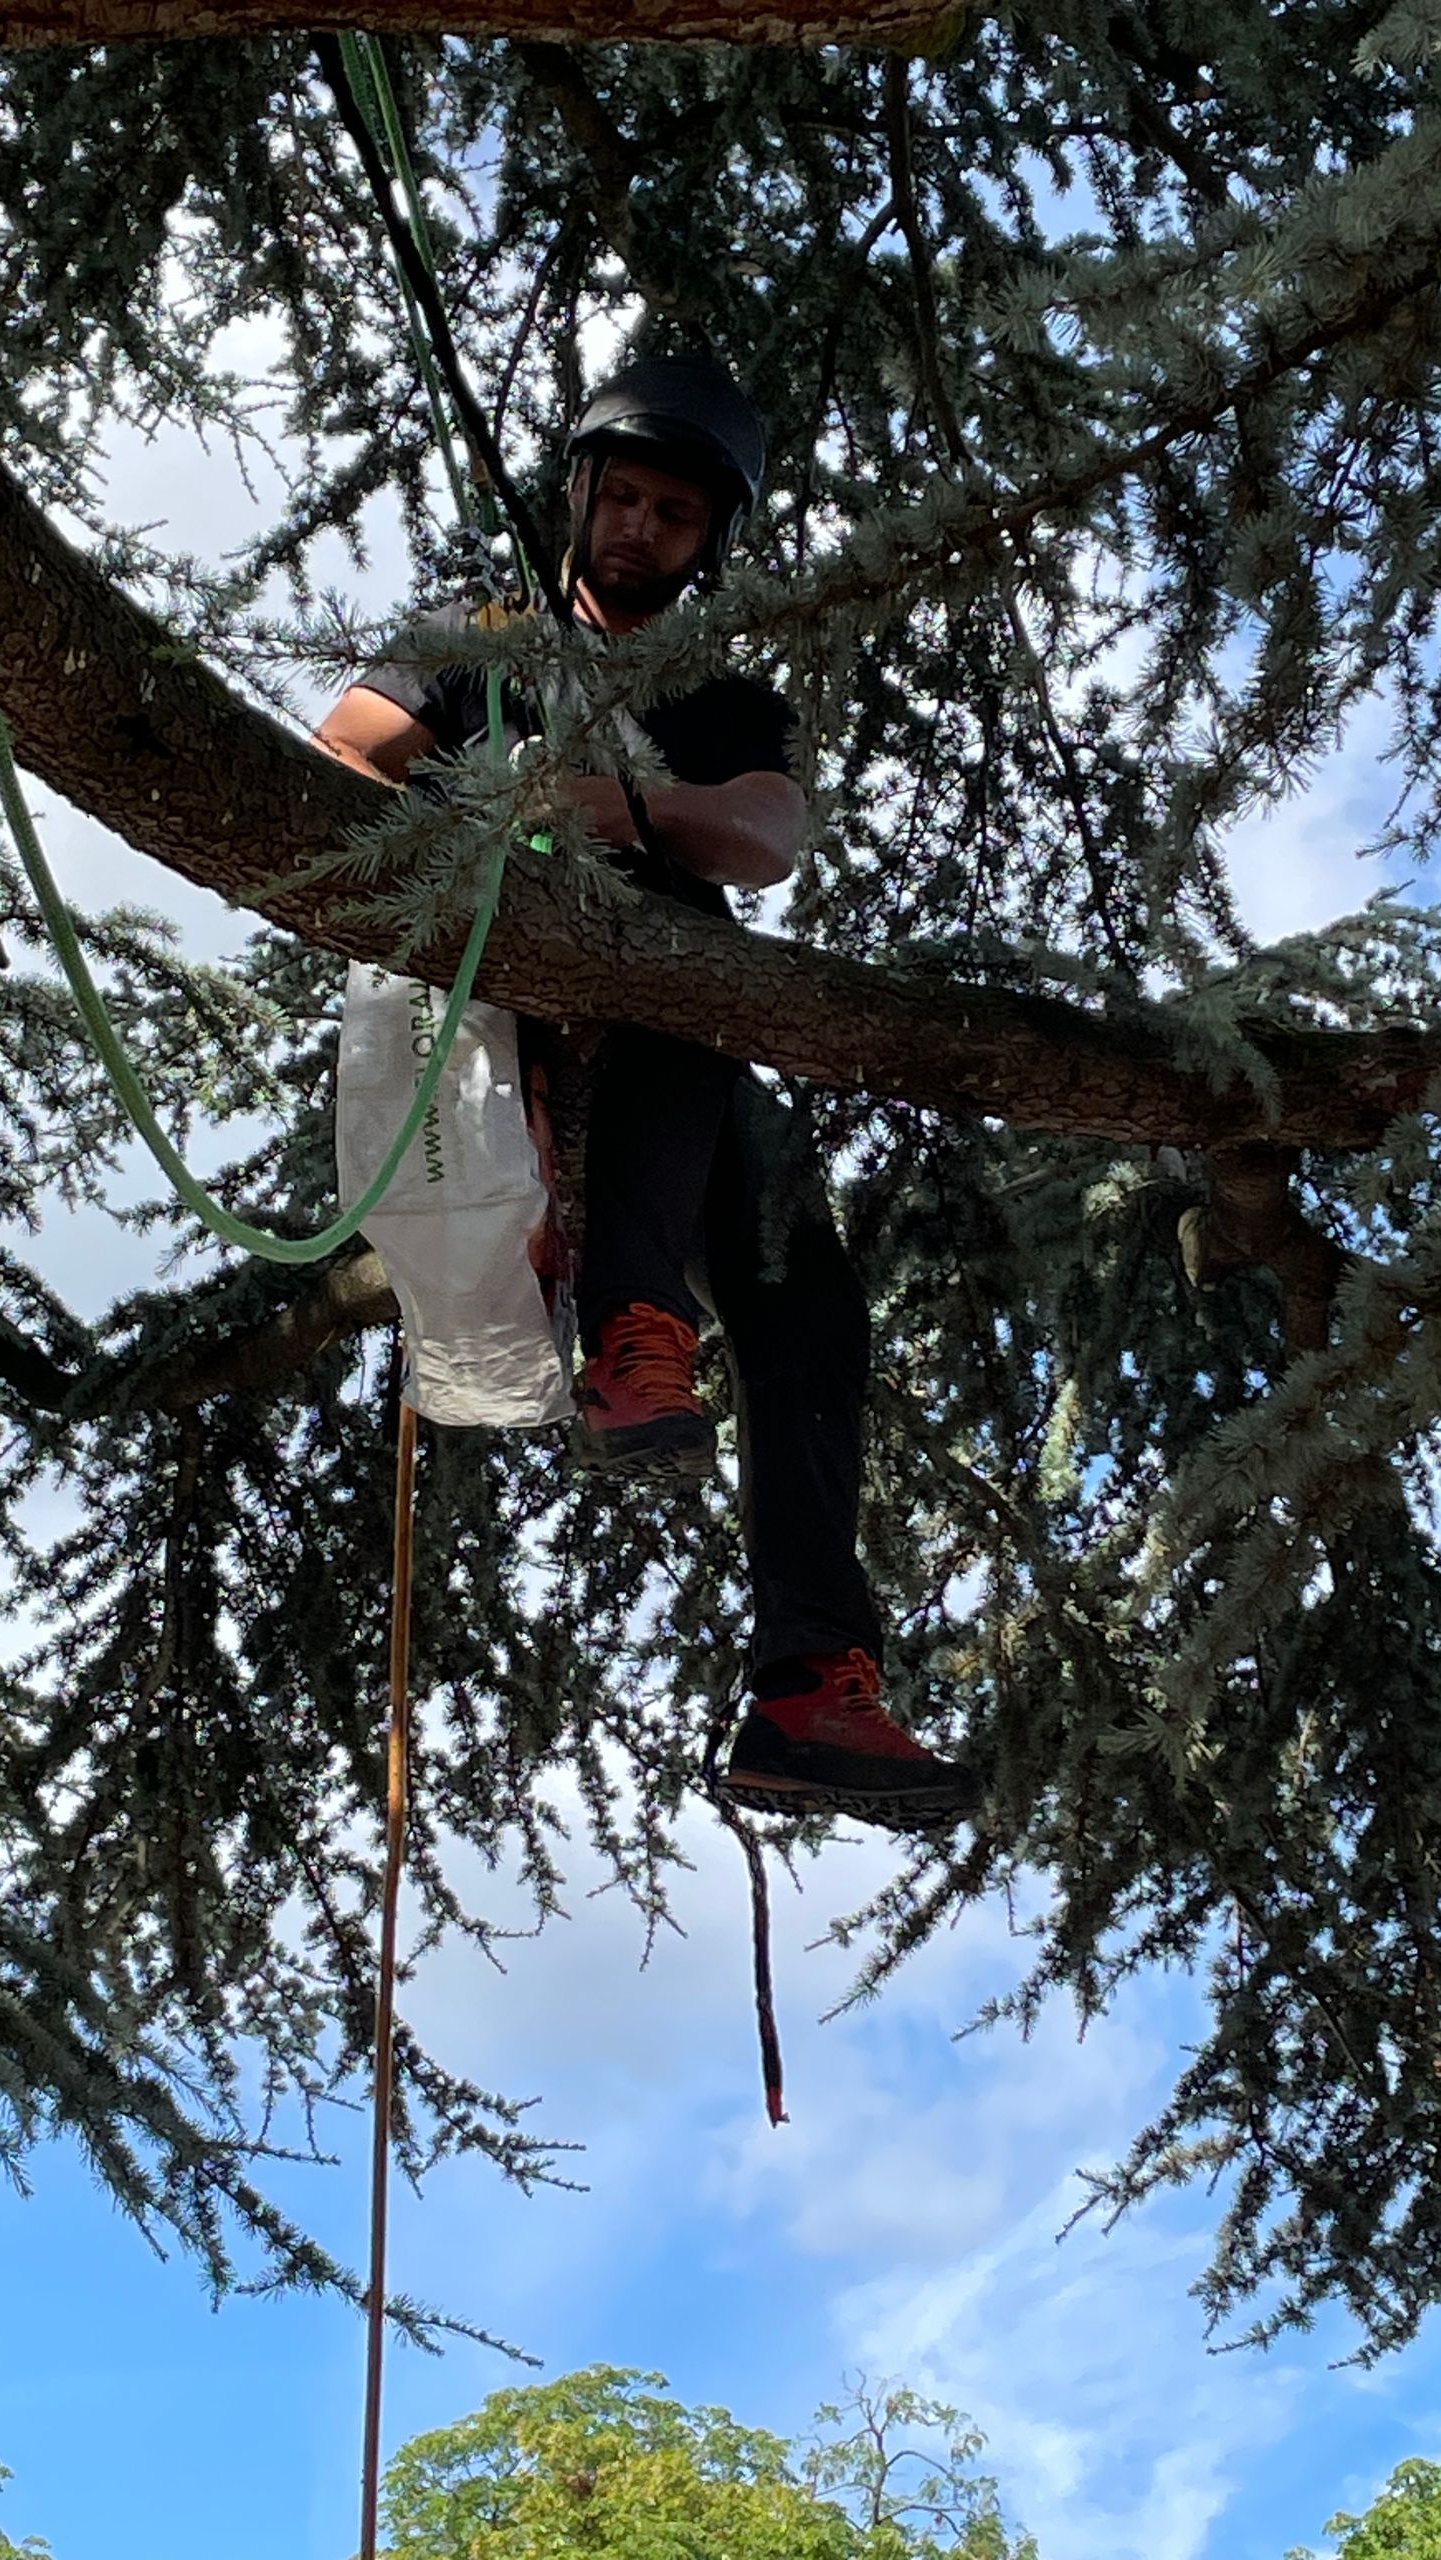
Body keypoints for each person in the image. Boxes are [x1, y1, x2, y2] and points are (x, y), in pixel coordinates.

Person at [315, 353, 974, 1830]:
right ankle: (634, 1323)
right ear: (582, 493)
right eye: (625, 499)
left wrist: (622, 809)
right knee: (672, 995)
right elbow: (349, 751)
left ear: (710, 540)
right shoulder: (477, 641)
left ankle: (813, 1684)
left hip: (685, 1020)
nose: (641, 533)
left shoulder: (722, 693)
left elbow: (767, 834)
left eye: (678, 516)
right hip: (498, 1002)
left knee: (806, 1296)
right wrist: (484, 811)